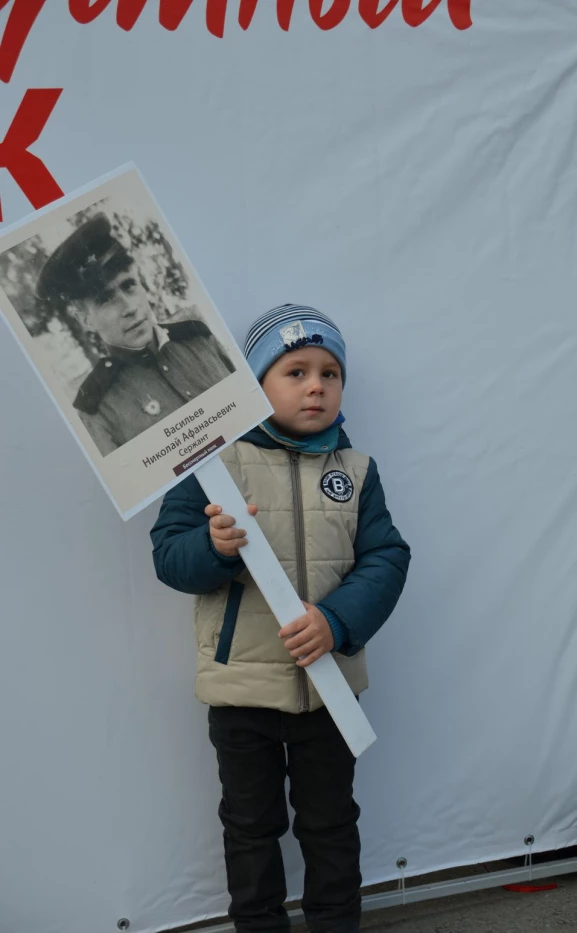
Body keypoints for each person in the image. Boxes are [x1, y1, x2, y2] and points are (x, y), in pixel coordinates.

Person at [150, 305, 410, 933]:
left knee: (329, 825)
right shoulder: (214, 464)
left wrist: (337, 622)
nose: (316, 385)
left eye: (329, 372)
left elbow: (387, 557)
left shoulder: (357, 472)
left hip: (329, 692)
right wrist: (212, 549)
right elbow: (168, 554)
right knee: (250, 827)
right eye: (295, 371)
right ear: (255, 385)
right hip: (242, 695)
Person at [36, 213, 235, 456]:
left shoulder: (200, 338)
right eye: (105, 299)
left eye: (129, 285)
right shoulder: (98, 410)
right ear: (85, 319)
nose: (129, 307)